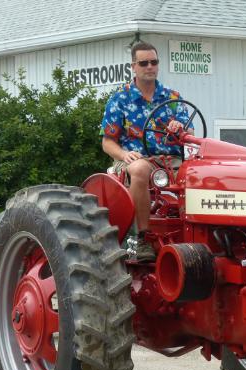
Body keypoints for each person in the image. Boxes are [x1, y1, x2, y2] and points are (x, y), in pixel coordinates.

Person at [100, 41, 192, 261]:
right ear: (133, 66)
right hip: (134, 158)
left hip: (170, 160)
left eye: (154, 62)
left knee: (199, 173)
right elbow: (107, 142)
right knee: (140, 168)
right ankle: (142, 238)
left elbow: (189, 134)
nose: (150, 66)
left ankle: (192, 234)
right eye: (144, 63)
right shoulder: (120, 99)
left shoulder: (172, 98)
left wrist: (179, 129)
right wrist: (123, 155)